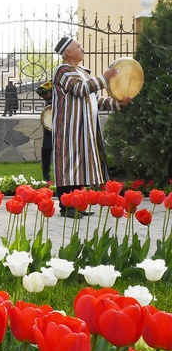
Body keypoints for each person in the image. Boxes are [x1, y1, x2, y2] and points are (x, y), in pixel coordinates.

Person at [51, 36, 131, 218]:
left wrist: (118, 103)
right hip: (69, 129)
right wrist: (105, 77)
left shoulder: (82, 72)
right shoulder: (63, 70)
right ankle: (67, 207)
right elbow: (80, 89)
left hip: (84, 128)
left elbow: (94, 99)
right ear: (67, 52)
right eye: (78, 46)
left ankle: (78, 205)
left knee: (81, 166)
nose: (82, 49)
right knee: (69, 165)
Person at [36, 80, 54, 182]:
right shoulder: (53, 83)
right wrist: (49, 94)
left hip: (64, 121)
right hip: (49, 119)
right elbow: (40, 90)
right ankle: (46, 174)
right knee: (47, 147)